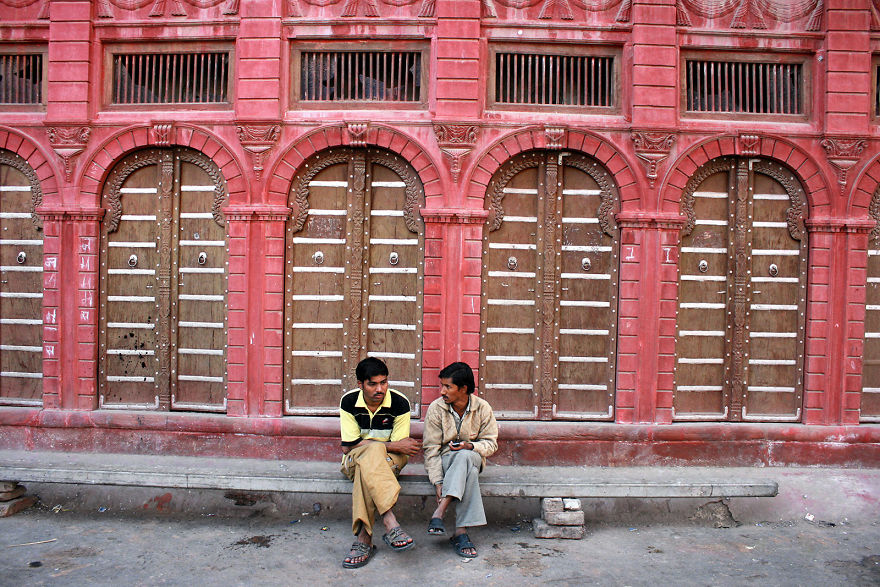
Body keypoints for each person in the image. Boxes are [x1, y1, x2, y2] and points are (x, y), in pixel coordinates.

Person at [339, 357, 420, 569]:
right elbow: (348, 447)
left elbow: (404, 446)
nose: (380, 389)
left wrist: (374, 446)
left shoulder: (400, 402)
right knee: (369, 461)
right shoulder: (348, 401)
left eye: (384, 382)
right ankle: (389, 520)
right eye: (372, 384)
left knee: (370, 461)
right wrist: (385, 446)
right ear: (360, 384)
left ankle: (364, 540)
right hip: (354, 460)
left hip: (389, 462)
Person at [422, 361, 498, 558]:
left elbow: (491, 445)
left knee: (466, 457)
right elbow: (431, 449)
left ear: (463, 389)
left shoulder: (483, 408)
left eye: (448, 387)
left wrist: (470, 446)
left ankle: (440, 511)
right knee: (469, 473)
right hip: (447, 463)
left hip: (473, 456)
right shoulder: (436, 409)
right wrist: (438, 481)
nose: (442, 391)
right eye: (442, 386)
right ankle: (460, 532)